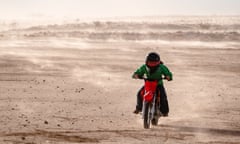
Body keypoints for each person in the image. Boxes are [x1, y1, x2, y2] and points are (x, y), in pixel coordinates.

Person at [132, 52, 172, 116]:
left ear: (158, 62)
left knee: (163, 97)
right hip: (148, 85)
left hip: (158, 84)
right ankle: (139, 108)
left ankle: (165, 112)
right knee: (140, 94)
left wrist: (168, 77)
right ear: (147, 61)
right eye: (150, 63)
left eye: (155, 63)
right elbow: (138, 72)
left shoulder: (162, 67)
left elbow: (168, 73)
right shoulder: (144, 67)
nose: (152, 65)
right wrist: (136, 75)